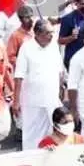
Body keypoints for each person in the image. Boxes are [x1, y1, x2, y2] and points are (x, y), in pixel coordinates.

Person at [12, 20, 64, 150]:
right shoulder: (26, 48)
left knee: (54, 132)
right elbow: (19, 76)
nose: (51, 36)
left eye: (52, 33)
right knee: (31, 134)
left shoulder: (53, 46)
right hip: (32, 101)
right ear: (38, 33)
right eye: (48, 33)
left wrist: (61, 88)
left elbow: (59, 70)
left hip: (51, 98)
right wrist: (16, 101)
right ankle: (30, 159)